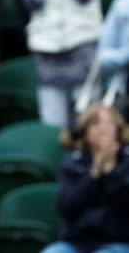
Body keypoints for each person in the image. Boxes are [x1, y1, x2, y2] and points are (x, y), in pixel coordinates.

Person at [20, 0, 105, 127]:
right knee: (52, 123)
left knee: (87, 122)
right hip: (46, 46)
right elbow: (31, 1)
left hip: (83, 40)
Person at [42, 104, 129, 253]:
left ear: (118, 129)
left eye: (109, 123)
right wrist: (94, 174)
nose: (103, 129)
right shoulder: (72, 164)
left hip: (117, 241)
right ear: (85, 132)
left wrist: (110, 171)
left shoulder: (126, 163)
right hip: (76, 241)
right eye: (95, 123)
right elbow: (66, 207)